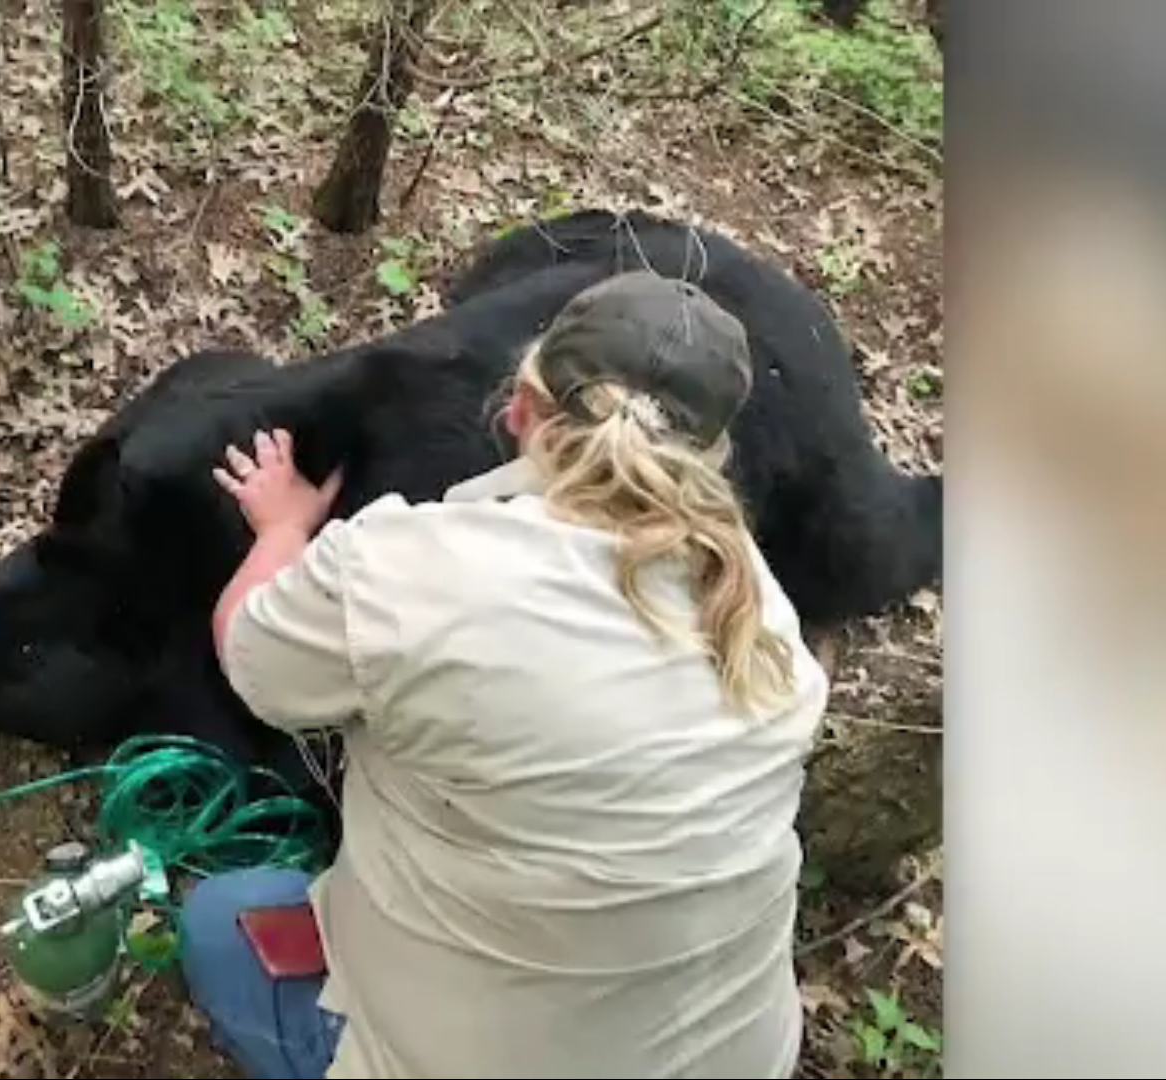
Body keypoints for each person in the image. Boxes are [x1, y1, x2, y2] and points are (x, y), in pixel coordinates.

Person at [180, 271, 832, 1078]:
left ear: (521, 408)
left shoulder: (410, 568)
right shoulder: (763, 621)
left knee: (221, 919)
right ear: (709, 458)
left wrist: (282, 528)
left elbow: (250, 653)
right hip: (740, 1060)